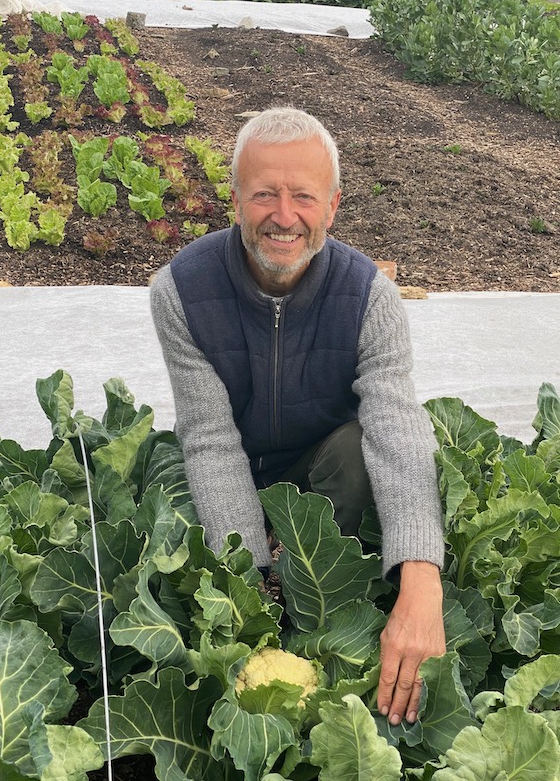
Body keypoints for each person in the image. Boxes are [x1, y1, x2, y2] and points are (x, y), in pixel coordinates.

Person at [151, 107, 446, 727]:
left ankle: (320, 575)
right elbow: (208, 439)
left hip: (322, 477)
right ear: (235, 200)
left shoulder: (370, 297)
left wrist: (423, 584)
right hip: (233, 467)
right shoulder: (181, 290)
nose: (284, 216)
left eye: (303, 196)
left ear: (333, 205)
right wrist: (251, 583)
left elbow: (398, 431)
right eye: (264, 194)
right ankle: (272, 577)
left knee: (361, 446)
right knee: (167, 504)